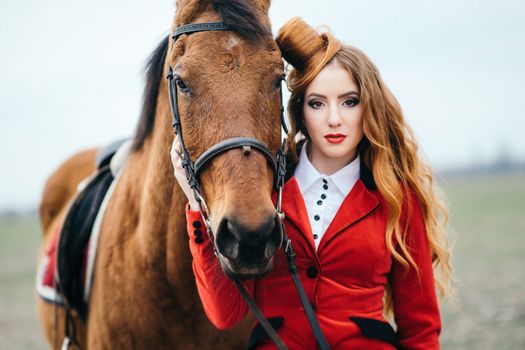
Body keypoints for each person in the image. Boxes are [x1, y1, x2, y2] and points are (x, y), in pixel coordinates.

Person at [171, 17, 452, 349]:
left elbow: (420, 329)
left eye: (349, 101)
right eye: (318, 103)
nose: (334, 118)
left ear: (369, 107)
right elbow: (226, 314)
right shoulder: (267, 193)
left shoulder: (395, 195)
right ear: (300, 112)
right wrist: (195, 205)